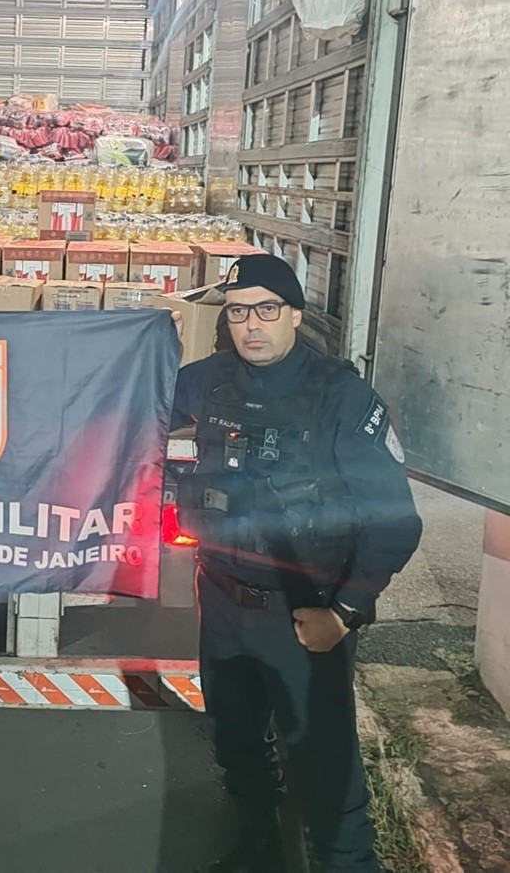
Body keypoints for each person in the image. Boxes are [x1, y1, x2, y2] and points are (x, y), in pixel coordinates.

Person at [170, 254, 422, 873]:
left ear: (295, 315)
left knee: (324, 760)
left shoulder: (340, 396)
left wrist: (345, 612)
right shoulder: (209, 380)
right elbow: (133, 402)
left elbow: (395, 521)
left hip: (306, 612)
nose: (251, 325)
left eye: (266, 309)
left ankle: (348, 863)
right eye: (237, 312)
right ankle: (260, 849)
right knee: (236, 741)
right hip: (222, 599)